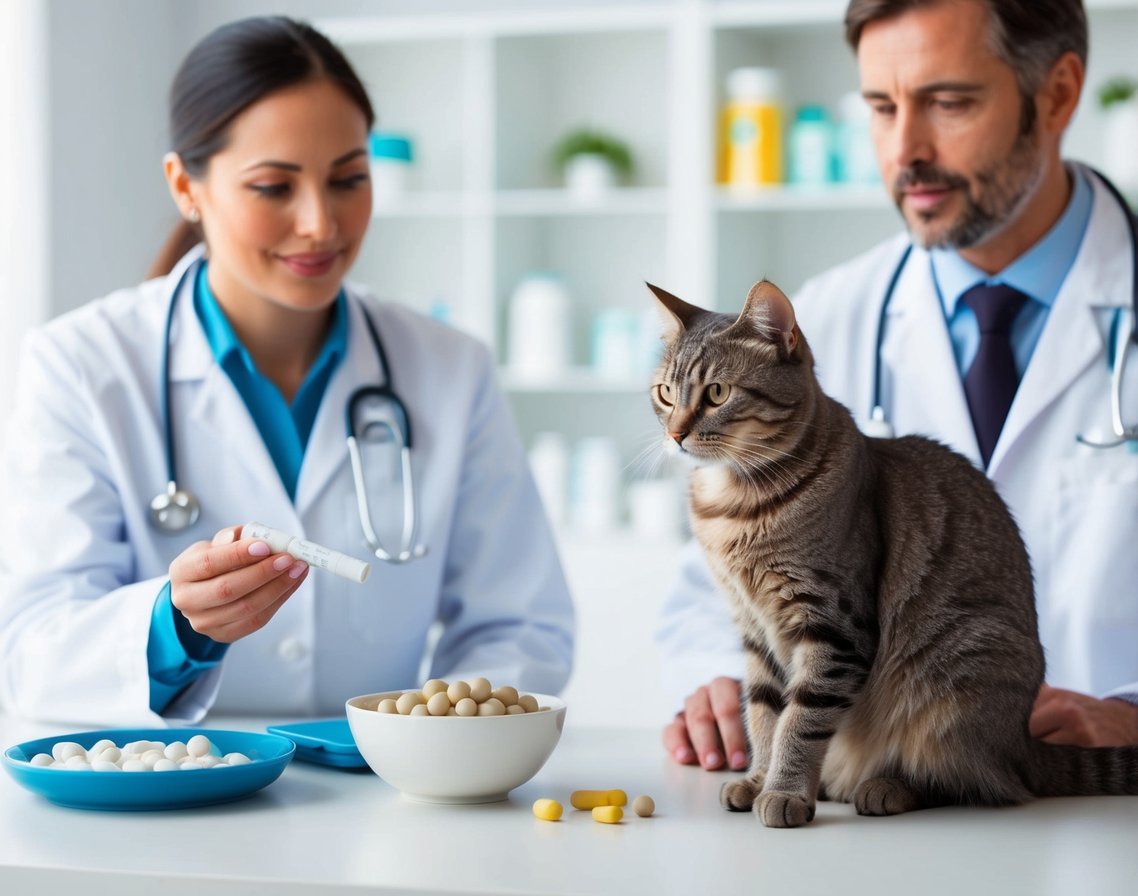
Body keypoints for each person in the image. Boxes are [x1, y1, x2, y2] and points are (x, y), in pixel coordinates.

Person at [0, 16, 574, 726]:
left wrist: (437, 740)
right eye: (274, 187)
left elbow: (520, 624)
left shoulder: (450, 368)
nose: (321, 225)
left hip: (388, 798)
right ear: (186, 185)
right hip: (173, 801)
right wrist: (173, 625)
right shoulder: (80, 364)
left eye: (349, 180)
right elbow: (34, 649)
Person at [658, 0, 1138, 771]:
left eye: (949, 103)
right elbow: (705, 593)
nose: (904, 149)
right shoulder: (813, 322)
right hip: (876, 822)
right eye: (881, 107)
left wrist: (1134, 714)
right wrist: (710, 680)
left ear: (1057, 94)